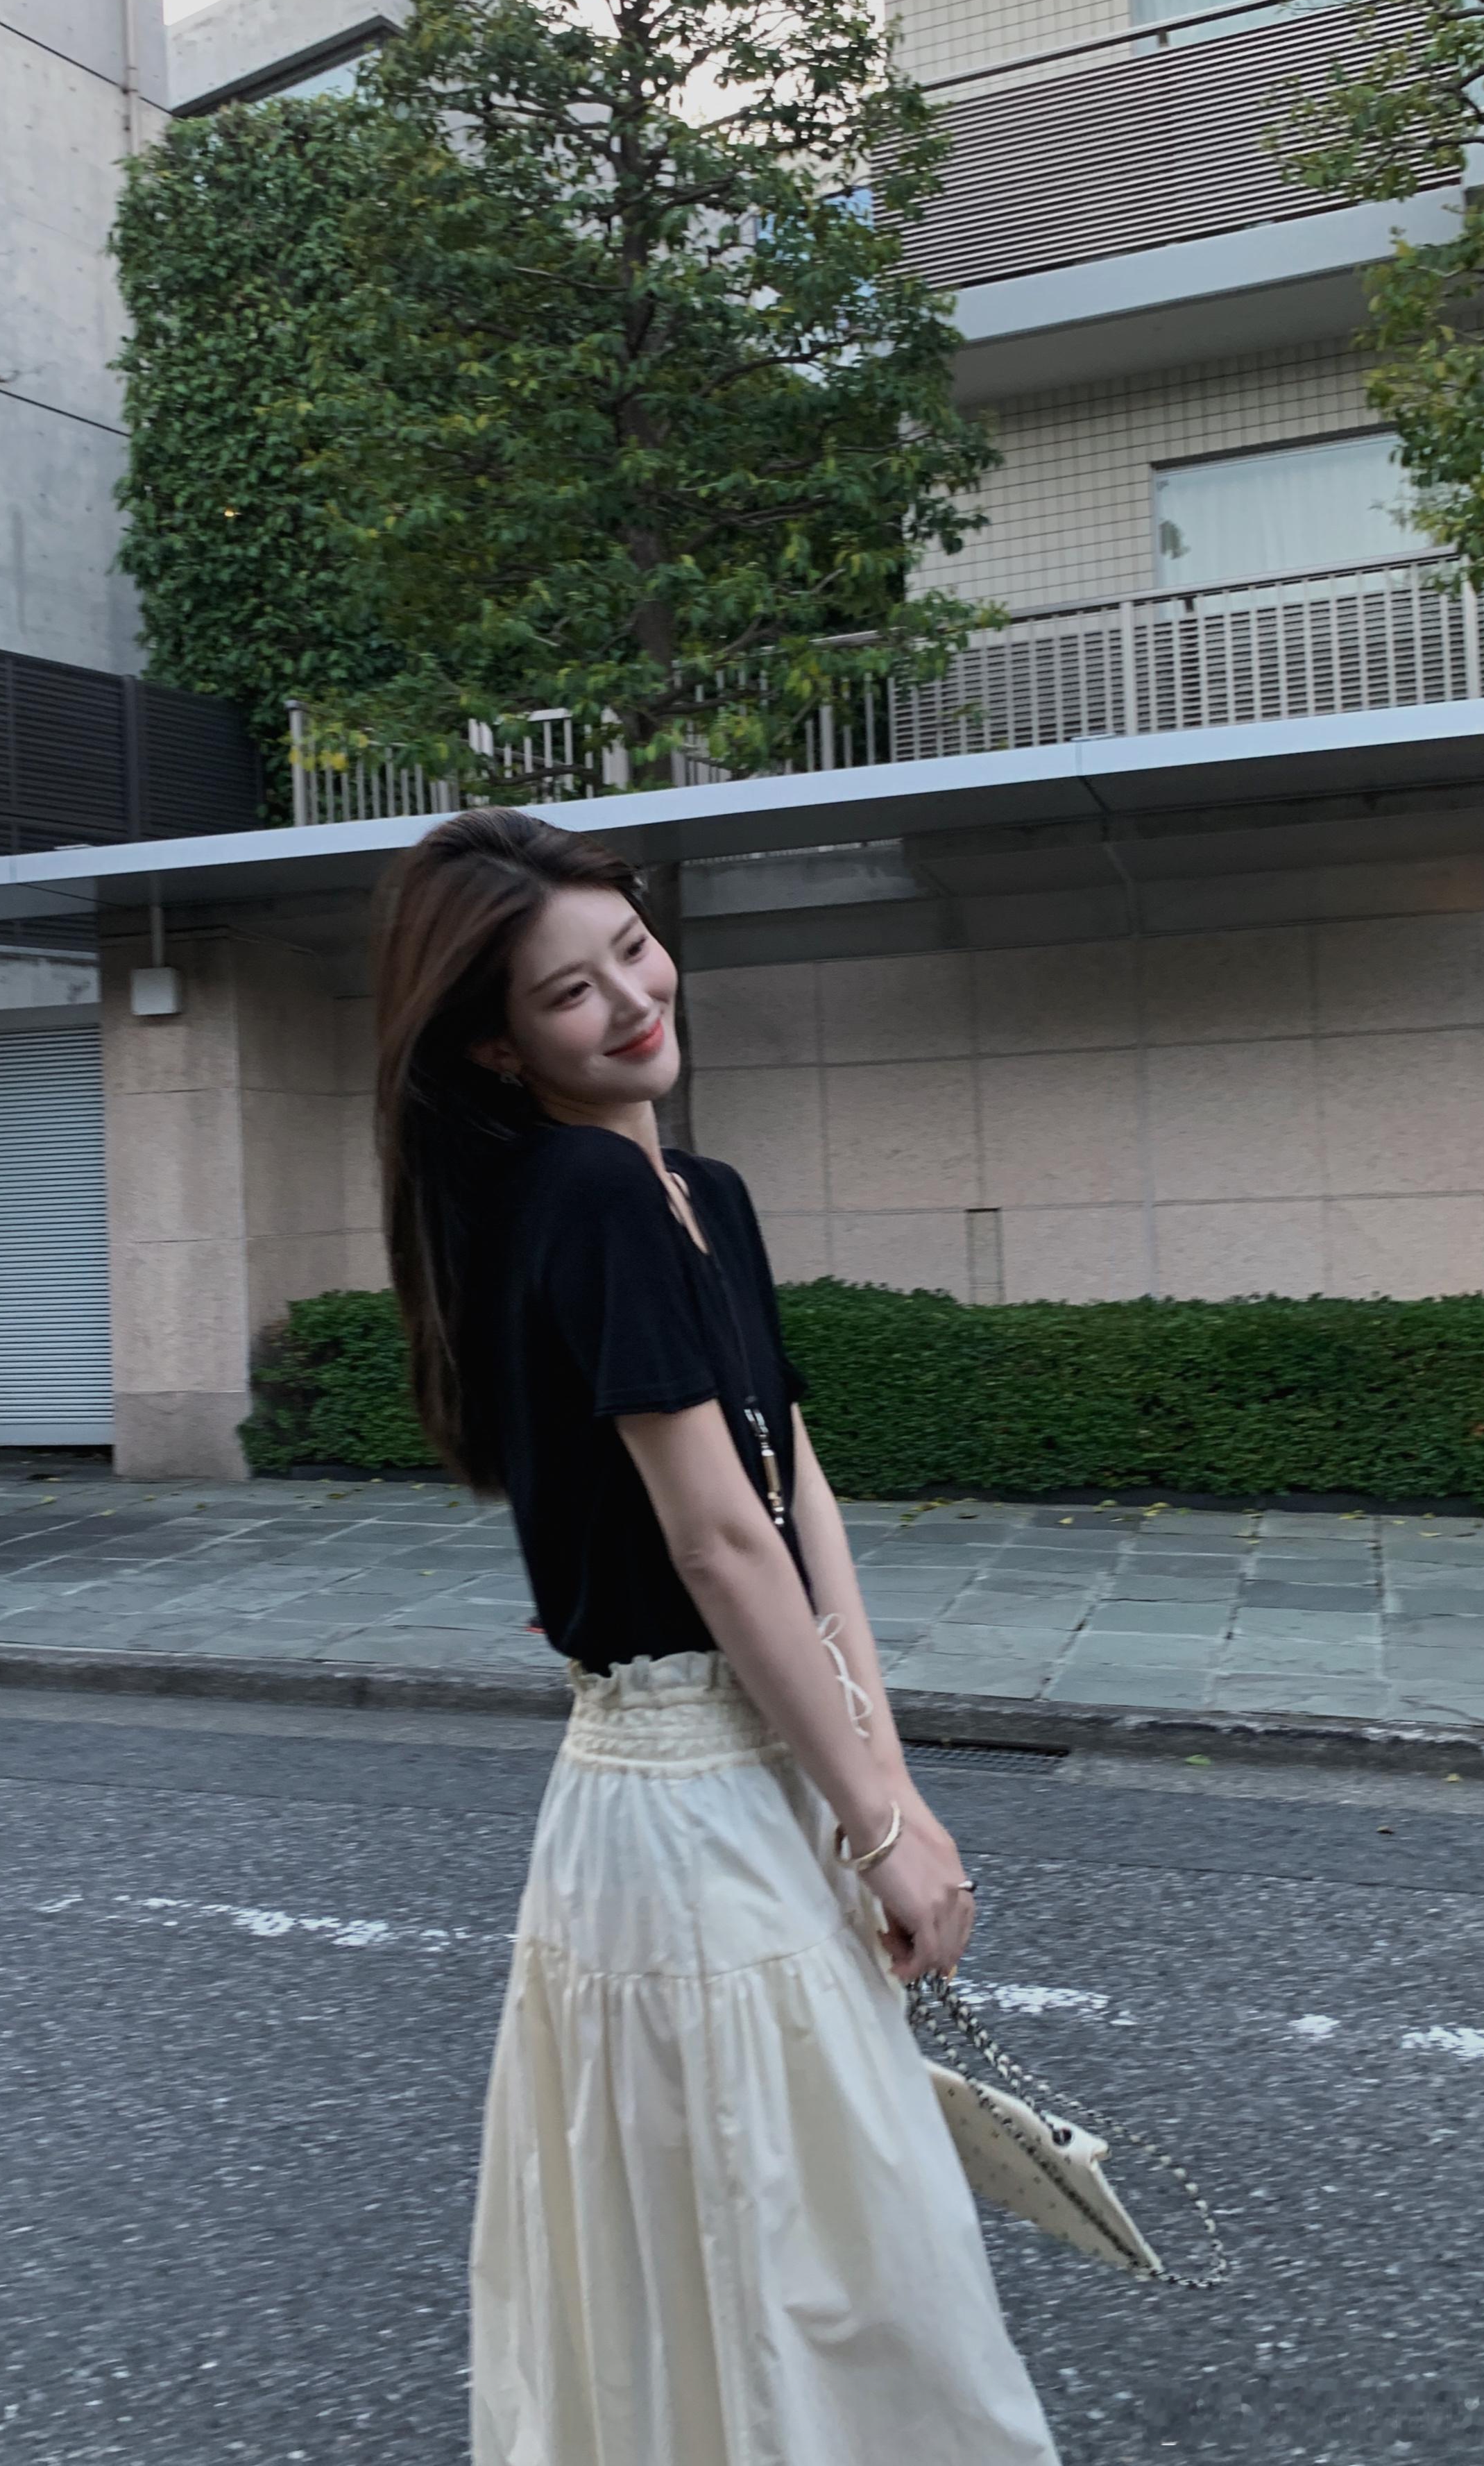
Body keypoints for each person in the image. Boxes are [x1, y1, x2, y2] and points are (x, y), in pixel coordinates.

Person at [374, 806, 1061, 2466]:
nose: (630, 998)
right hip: (681, 1797)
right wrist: (882, 1822)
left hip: (746, 1774)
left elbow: (796, 1492)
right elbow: (715, 1535)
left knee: (766, 2241)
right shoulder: (584, 1192)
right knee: (804, 2252)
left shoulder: (699, 1192)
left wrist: (883, 1786)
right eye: (570, 991)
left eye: (632, 948)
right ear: (496, 1042)